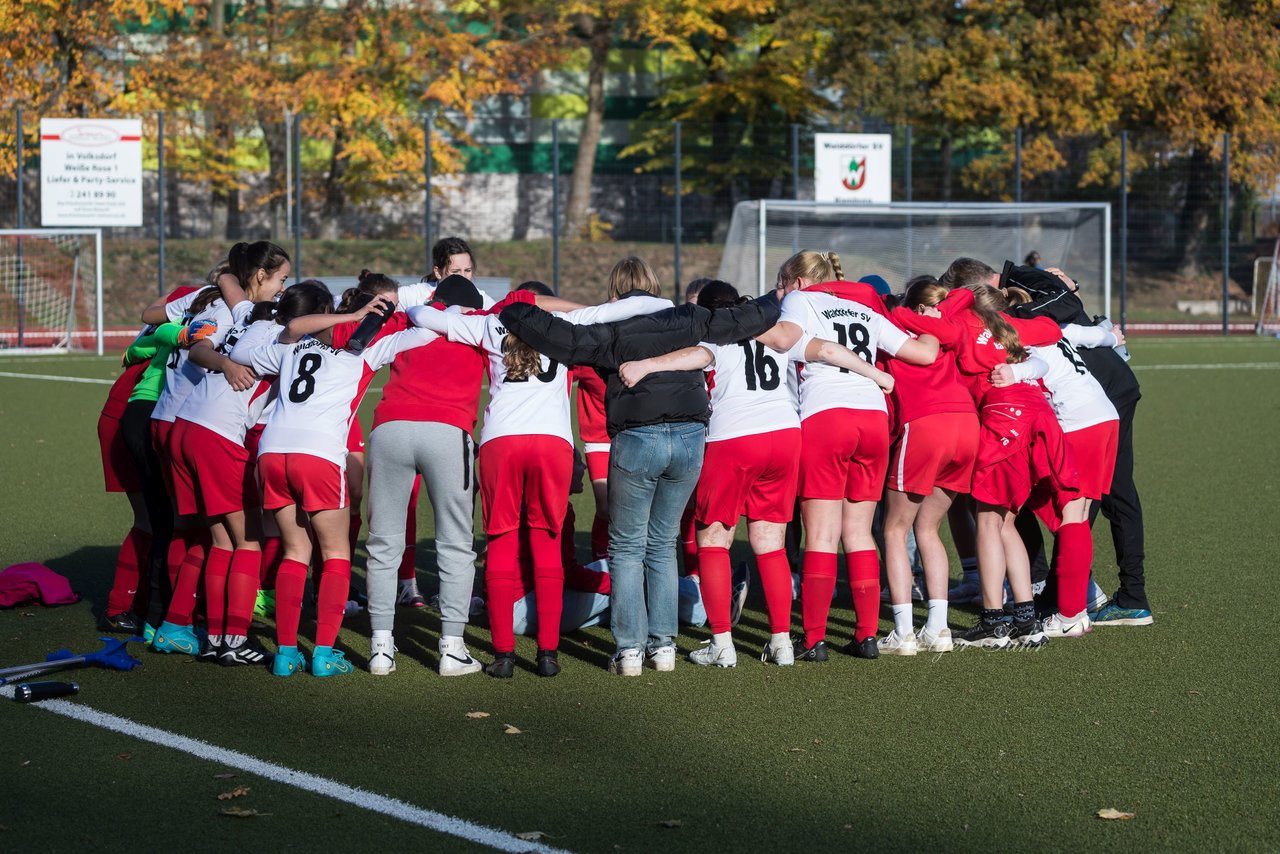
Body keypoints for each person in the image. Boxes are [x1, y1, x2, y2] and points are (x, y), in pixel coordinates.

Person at [498, 269, 781, 676]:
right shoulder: (690, 317)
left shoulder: (612, 329)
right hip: (689, 438)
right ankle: (663, 646)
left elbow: (563, 338)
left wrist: (511, 309)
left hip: (637, 438)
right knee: (663, 543)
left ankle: (631, 650)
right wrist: (778, 296)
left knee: (627, 548)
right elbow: (745, 318)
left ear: (615, 291)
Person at [619, 279, 894, 667]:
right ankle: (782, 643)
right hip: (784, 437)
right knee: (770, 541)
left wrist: (646, 364)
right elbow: (830, 348)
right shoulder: (778, 330)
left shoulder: (717, 330)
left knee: (714, 537)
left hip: (733, 438)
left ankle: (722, 644)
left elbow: (693, 356)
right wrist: (877, 375)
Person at [408, 280, 671, 678]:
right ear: (542, 304)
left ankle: (503, 656)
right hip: (552, 444)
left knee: (500, 543)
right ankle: (548, 655)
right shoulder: (565, 320)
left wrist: (465, 311)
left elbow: (420, 313)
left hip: (501, 444)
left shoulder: (487, 323)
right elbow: (628, 309)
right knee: (547, 542)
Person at [248, 284, 436, 678]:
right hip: (318, 454)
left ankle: (284, 654)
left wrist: (351, 315)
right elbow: (425, 331)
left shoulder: (292, 348)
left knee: (295, 551)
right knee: (335, 555)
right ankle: (323, 652)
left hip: (272, 451)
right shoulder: (363, 356)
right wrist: (402, 305)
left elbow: (295, 324)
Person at [754, 263, 939, 662]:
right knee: (859, 533)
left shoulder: (801, 299)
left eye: (780, 286)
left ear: (799, 282)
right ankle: (867, 636)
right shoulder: (867, 310)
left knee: (821, 534)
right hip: (873, 417)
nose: (779, 293)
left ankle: (814, 639)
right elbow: (923, 354)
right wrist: (936, 320)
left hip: (827, 415)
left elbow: (785, 340)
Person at [1000, 263, 1152, 627]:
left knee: (1083, 504)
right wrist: (1111, 335)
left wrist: (1015, 369)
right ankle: (1084, 595)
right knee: (1089, 500)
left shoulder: (1026, 315)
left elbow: (1061, 319)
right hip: (1105, 400)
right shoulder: (1051, 321)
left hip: (1095, 404)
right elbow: (1084, 328)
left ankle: (1071, 604)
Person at [876, 275, 980, 654]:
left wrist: (902, 309)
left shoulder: (892, 325)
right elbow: (964, 294)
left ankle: (903, 632)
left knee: (894, 529)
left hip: (926, 424)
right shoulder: (946, 325)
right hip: (967, 425)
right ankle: (937, 628)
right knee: (929, 528)